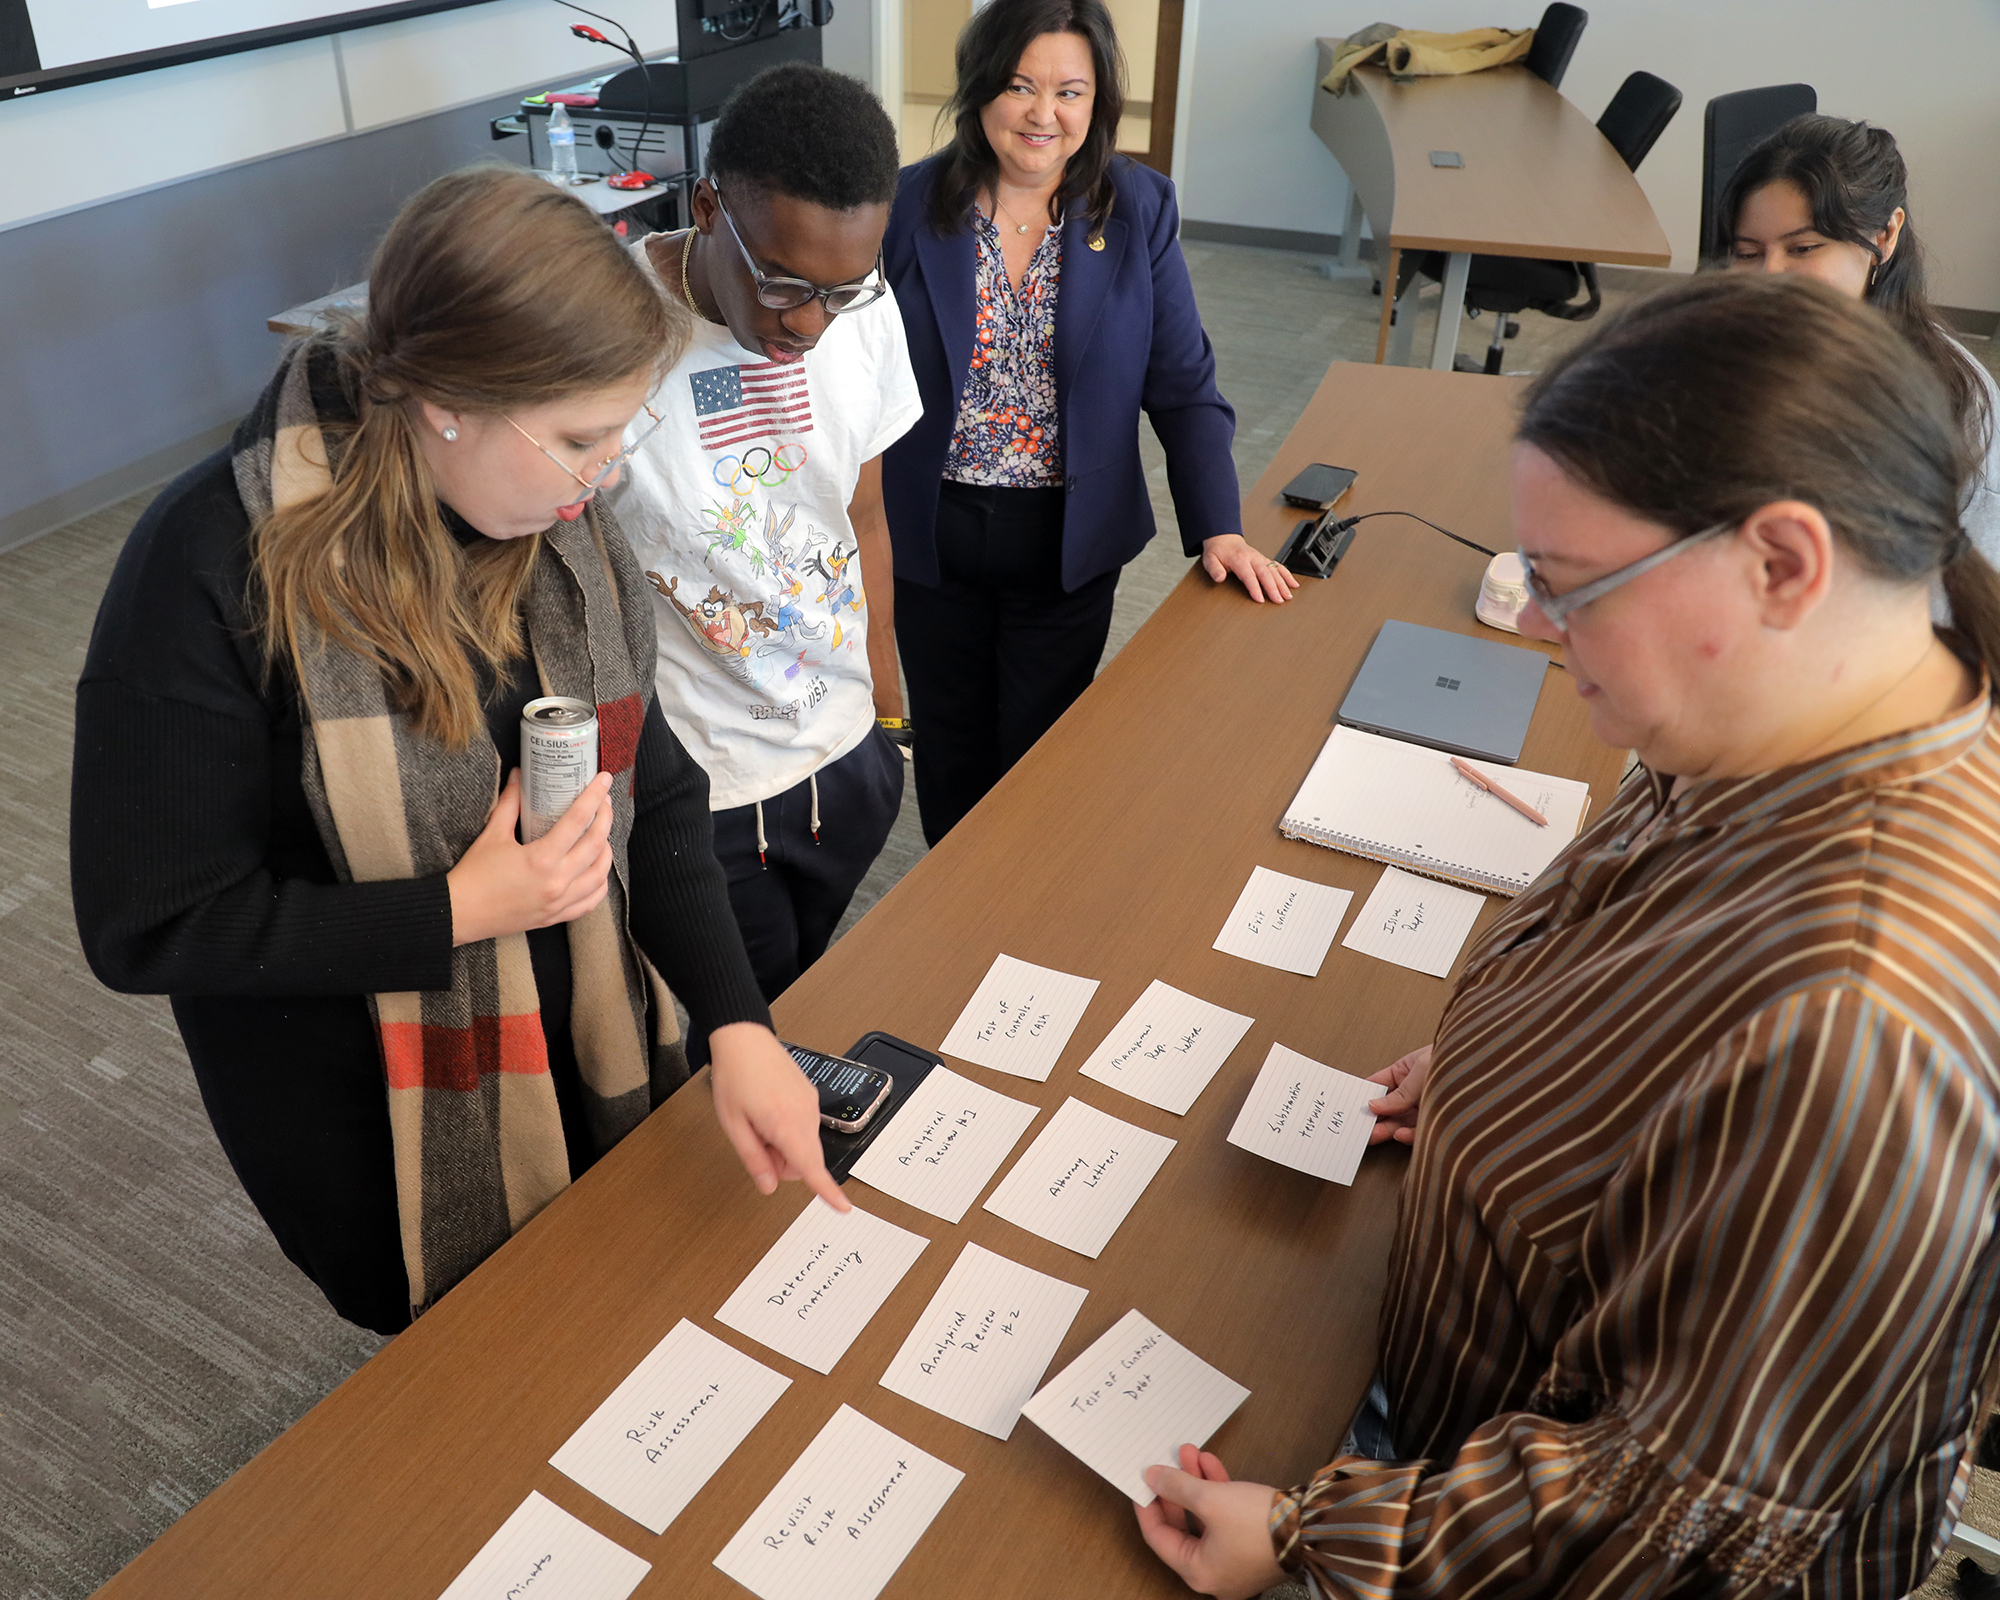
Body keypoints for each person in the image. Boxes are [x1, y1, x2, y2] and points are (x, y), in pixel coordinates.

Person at [1131, 274, 2000, 1598]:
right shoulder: (1784, 718)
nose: (1534, 623)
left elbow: (1662, 1503)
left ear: (1781, 566)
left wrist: (1312, 1536)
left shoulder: (1857, 1019)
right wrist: (1516, 1066)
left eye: (1569, 583)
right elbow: (1628, 966)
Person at [70, 166, 844, 1339]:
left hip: (593, 1043)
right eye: (578, 438)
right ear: (446, 402)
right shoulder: (207, 565)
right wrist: (462, 908)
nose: (606, 474)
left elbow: (657, 795)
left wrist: (738, 1025)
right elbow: (151, 923)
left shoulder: (561, 531)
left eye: (620, 432)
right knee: (471, 1360)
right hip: (368, 1110)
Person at [880, 0, 1296, 847]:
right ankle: (961, 906)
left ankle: (1029, 905)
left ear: (1098, 101)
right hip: (929, 536)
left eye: (1069, 91)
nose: (1044, 114)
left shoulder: (1137, 206)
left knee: (1047, 759)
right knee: (952, 752)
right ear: (979, 88)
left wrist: (1218, 525)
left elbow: (1183, 384)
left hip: (1066, 540)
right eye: (1019, 86)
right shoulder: (905, 205)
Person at [607, 64, 918, 1003]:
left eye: (842, 289)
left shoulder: (864, 314)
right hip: (699, 789)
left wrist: (890, 718)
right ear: (707, 208)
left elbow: (864, 513)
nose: (813, 324)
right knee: (733, 1034)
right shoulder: (607, 336)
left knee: (814, 993)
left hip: (847, 753)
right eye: (784, 285)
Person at [1721, 113, 2000, 578]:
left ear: (1884, 236)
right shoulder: (1718, 352)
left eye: (1802, 248)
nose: (1768, 278)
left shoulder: (1955, 403)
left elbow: (1964, 589)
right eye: (1748, 253)